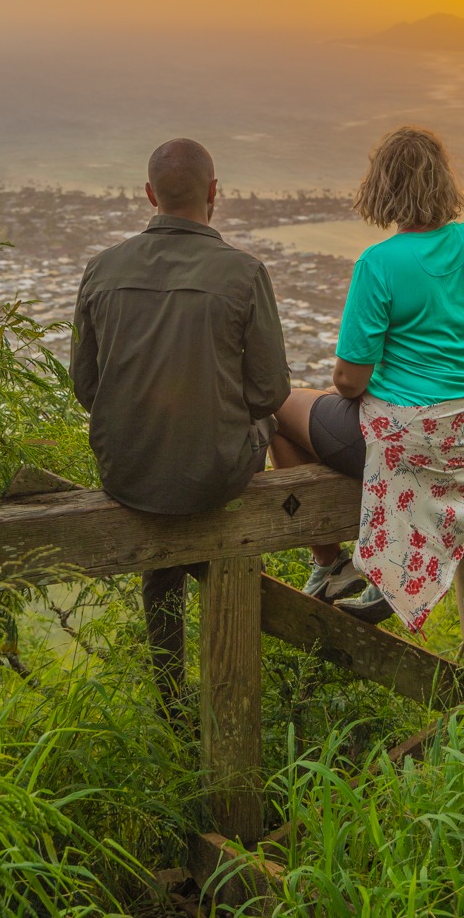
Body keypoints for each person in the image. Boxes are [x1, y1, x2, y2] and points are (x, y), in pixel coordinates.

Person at [269, 126, 464, 629]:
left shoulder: (379, 263)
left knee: (277, 408)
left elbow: (348, 381)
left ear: (381, 188)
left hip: (406, 443)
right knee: (324, 412)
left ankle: (328, 564)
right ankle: (353, 564)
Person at [70, 138, 290, 689]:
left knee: (162, 534)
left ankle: (170, 700)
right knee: (269, 425)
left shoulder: (101, 269)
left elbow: (86, 385)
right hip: (214, 477)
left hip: (129, 472)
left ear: (149, 195)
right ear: (214, 192)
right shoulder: (242, 273)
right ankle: (234, 673)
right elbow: (268, 393)